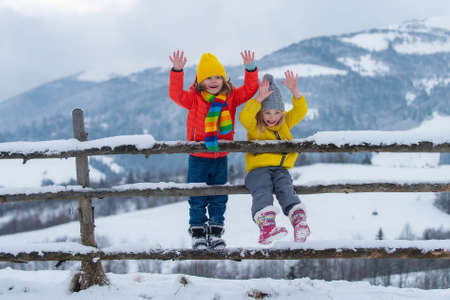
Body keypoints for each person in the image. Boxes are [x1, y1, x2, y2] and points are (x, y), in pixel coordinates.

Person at [169, 50, 258, 249]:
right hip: (198, 156)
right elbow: (175, 94)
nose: (214, 80)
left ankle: (216, 231)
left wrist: (250, 68)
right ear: (201, 80)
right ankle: (198, 232)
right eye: (209, 77)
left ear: (223, 78)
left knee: (220, 194)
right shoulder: (194, 98)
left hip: (220, 155)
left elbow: (250, 89)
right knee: (197, 194)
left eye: (218, 76)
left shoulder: (231, 96)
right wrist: (177, 71)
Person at [239, 71, 311, 244]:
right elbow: (244, 117)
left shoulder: (285, 122)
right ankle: (267, 227)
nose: (272, 118)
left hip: (280, 169)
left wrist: (295, 92)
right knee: (262, 190)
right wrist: (257, 100)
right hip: (258, 169)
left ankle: (299, 221)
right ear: (261, 113)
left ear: (282, 112)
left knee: (286, 188)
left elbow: (301, 110)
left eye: (277, 113)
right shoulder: (254, 125)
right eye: (267, 113)